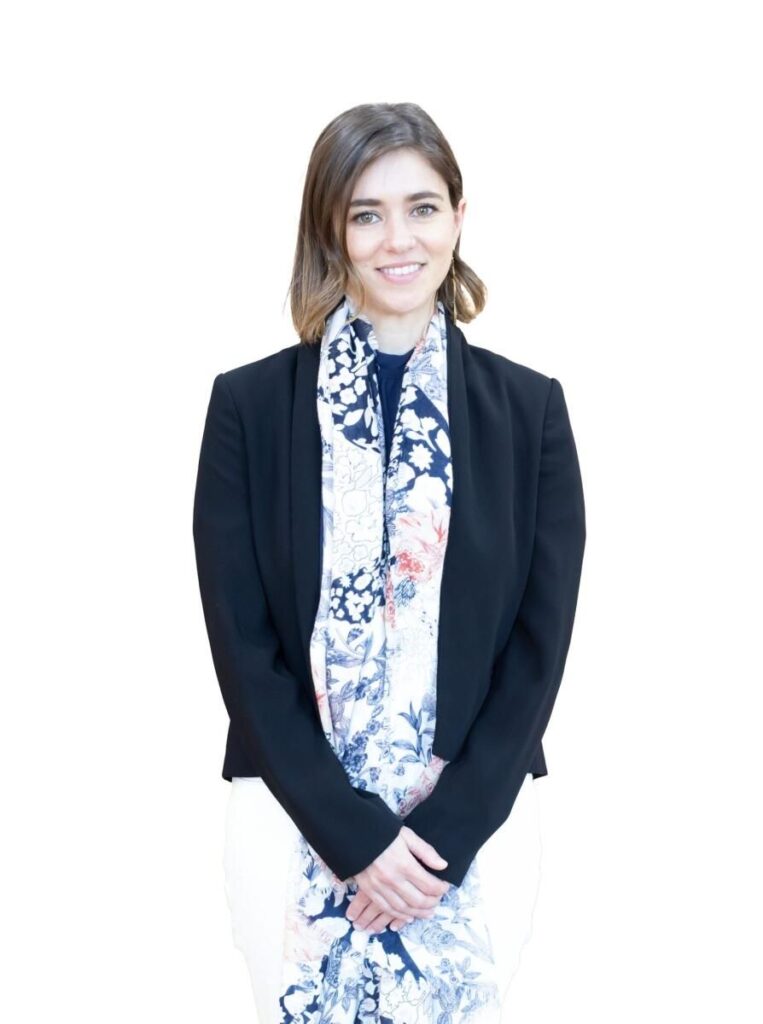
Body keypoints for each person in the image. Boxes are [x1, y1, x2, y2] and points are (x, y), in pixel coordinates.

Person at [193, 101, 586, 1023]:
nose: (397, 239)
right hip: (287, 818)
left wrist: (439, 840)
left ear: (458, 217)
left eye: (422, 208)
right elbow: (243, 649)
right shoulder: (248, 408)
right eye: (365, 213)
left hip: (475, 828)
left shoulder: (530, 411)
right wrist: (354, 836)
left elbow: (537, 651)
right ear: (329, 229)